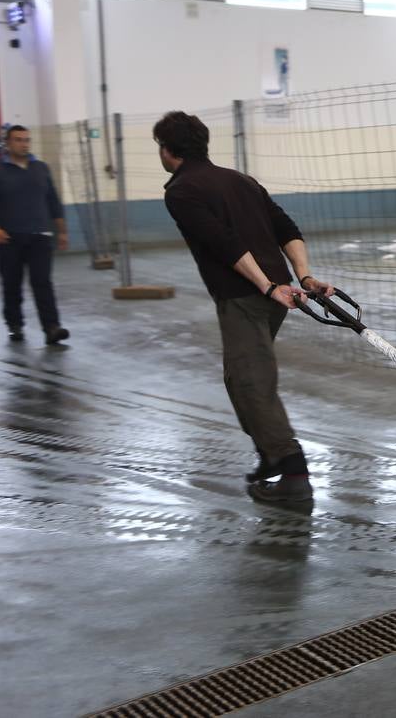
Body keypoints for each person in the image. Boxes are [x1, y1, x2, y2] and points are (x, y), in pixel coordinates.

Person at [155, 111, 334, 503]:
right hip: (273, 297)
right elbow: (287, 229)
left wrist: (268, 286)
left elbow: (224, 244)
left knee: (253, 384)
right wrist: (301, 276)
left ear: (167, 151)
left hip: (248, 298)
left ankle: (292, 471)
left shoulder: (181, 191)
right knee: (239, 379)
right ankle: (270, 455)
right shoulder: (241, 180)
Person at [0, 125, 70, 346]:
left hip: (40, 235)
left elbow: (53, 201)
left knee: (42, 282)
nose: (24, 143)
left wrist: (62, 230)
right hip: (9, 238)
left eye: (27, 140)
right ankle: (15, 324)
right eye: (19, 140)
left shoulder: (41, 168)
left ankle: (51, 327)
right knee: (12, 284)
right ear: (8, 143)